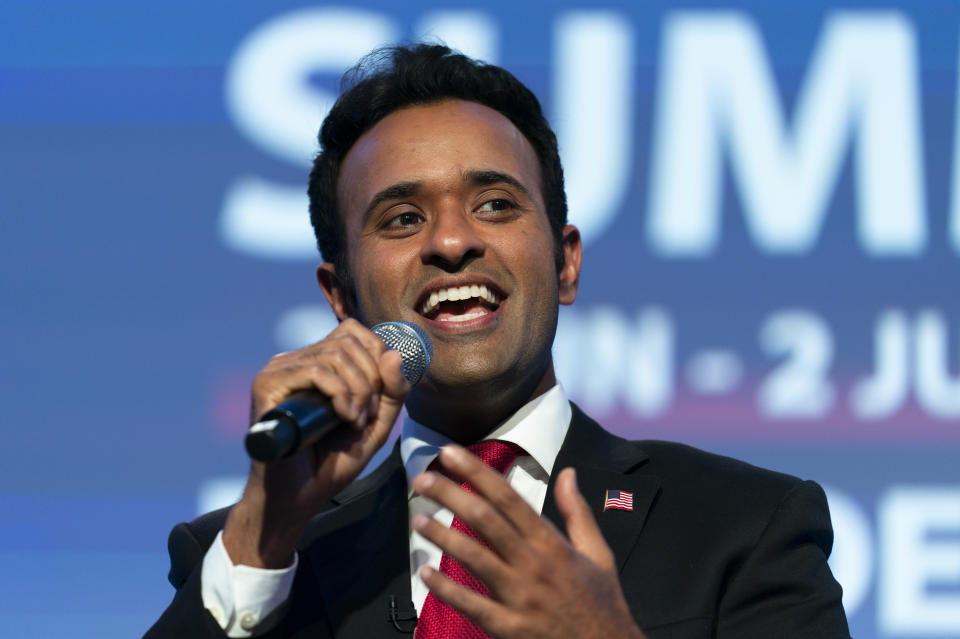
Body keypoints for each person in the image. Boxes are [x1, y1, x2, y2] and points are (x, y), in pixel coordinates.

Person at [146, 43, 850, 638]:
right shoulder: (247, 553)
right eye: (400, 218)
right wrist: (262, 537)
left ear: (566, 261)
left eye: (495, 204)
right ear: (343, 298)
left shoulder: (743, 526)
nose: (452, 242)